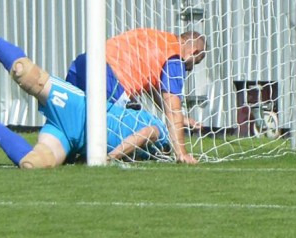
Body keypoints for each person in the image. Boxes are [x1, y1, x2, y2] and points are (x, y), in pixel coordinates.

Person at [0, 3, 176, 168]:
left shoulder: (149, 156)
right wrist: (111, 158)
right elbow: (147, 133)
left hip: (72, 137)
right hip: (78, 109)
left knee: (32, 164)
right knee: (24, 72)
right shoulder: (161, 131)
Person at [65, 28, 206, 165]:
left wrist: (183, 119)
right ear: (194, 51)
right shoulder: (175, 57)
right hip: (109, 78)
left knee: (71, 119)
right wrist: (181, 153)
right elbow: (173, 108)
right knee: (109, 129)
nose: (190, 69)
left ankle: (69, 154)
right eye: (195, 62)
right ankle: (105, 158)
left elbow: (153, 89)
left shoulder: (158, 38)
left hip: (83, 63)